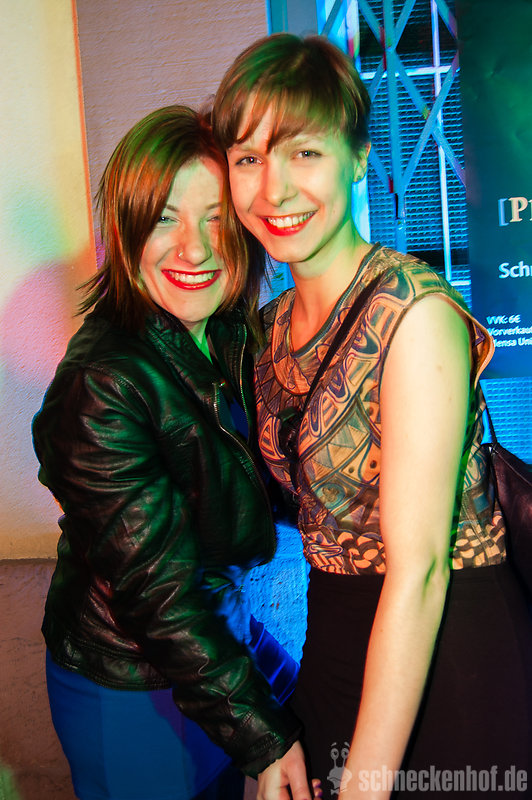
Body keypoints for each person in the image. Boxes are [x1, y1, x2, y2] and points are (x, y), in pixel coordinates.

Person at [212, 34, 532, 799]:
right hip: (335, 640)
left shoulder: (414, 316)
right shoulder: (268, 329)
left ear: (357, 157)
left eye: (304, 153)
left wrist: (365, 782)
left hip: (450, 651)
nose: (274, 190)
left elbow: (419, 569)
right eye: (249, 158)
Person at [31, 105, 316, 800]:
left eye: (215, 218)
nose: (195, 249)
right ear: (125, 231)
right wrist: (263, 737)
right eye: (165, 218)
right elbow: (160, 597)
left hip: (217, 636)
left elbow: (255, 477)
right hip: (132, 680)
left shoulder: (228, 331)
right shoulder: (101, 385)